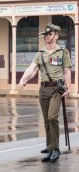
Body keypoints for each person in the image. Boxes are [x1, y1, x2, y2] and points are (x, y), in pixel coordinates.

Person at [19, 23, 72, 162]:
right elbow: (33, 69)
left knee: (52, 117)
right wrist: (23, 79)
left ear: (56, 36)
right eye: (45, 35)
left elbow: (67, 71)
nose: (47, 36)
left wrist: (69, 87)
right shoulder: (40, 53)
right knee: (46, 121)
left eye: (49, 34)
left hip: (56, 89)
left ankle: (55, 148)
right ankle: (50, 147)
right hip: (43, 89)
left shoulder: (63, 52)